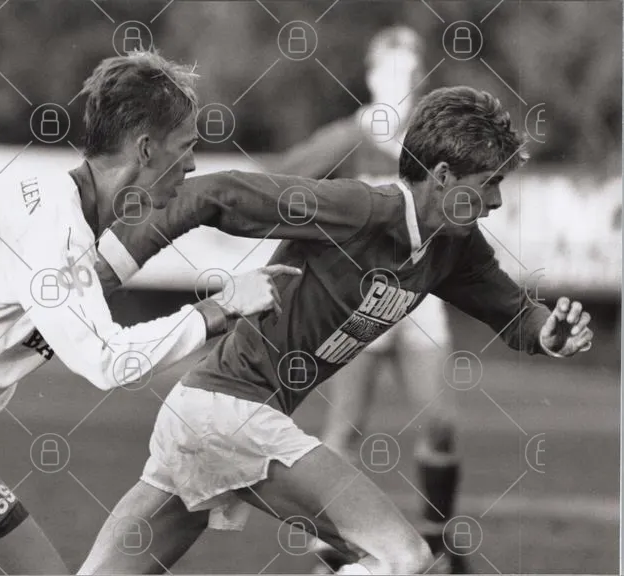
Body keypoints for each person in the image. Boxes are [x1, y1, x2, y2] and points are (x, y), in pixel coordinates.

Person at [77, 86, 594, 575]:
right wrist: (103, 273)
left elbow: (514, 313)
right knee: (404, 559)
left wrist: (549, 333)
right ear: (442, 176)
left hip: (205, 416)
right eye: (489, 183)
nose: (497, 201)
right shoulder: (362, 210)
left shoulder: (454, 247)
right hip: (229, 413)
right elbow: (216, 193)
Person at [0, 51, 297, 575]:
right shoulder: (57, 232)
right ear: (145, 149)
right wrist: (220, 308)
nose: (190, 164)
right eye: (185, 146)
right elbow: (108, 361)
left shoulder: (48, 202)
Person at [267, 26, 461, 573]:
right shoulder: (348, 138)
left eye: (412, 71)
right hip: (363, 303)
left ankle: (439, 542)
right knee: (346, 428)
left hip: (420, 301)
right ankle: (330, 548)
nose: (404, 81)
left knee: (440, 422)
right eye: (393, 70)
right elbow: (278, 181)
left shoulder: (433, 142)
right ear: (373, 77)